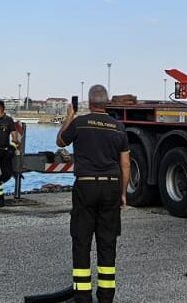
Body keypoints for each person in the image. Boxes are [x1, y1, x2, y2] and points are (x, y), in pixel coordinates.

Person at [56, 84, 129, 303]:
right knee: (107, 243)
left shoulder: (80, 123)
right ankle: (106, 297)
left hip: (85, 186)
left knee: (81, 241)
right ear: (106, 103)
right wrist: (123, 194)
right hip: (110, 187)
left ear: (89, 102)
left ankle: (83, 297)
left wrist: (70, 116)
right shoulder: (118, 127)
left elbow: (60, 141)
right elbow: (125, 164)